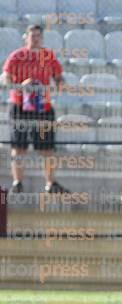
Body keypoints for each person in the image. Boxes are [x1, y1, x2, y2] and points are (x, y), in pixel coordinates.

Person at [1, 25, 68, 194]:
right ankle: (18, 183)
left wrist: (60, 84)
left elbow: (59, 76)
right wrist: (20, 85)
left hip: (42, 108)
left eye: (38, 36)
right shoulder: (16, 56)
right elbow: (6, 78)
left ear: (42, 38)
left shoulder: (48, 56)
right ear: (26, 37)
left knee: (47, 148)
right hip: (20, 107)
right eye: (32, 36)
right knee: (18, 147)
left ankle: (50, 183)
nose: (35, 39)